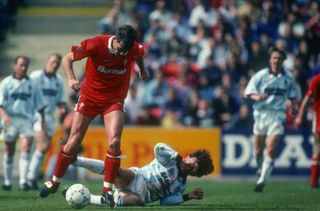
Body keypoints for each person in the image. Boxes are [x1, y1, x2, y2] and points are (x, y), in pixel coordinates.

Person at [38, 24, 149, 207]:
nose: (123, 55)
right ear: (116, 40)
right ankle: (54, 182)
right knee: (73, 141)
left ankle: (107, 190)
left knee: (114, 141)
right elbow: (67, 59)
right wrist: (72, 78)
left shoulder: (132, 47)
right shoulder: (95, 44)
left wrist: (142, 70)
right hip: (89, 97)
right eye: (121, 50)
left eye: (126, 51)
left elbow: (139, 55)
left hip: (114, 99)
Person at [66, 143, 214, 207]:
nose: (191, 167)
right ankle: (76, 160)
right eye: (193, 162)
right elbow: (158, 147)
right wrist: (177, 157)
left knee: (134, 201)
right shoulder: (170, 159)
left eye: (195, 169)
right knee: (118, 171)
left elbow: (165, 202)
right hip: (138, 178)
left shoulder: (182, 185)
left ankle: (88, 199)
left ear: (195, 174)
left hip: (143, 197)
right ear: (188, 156)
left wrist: (188, 196)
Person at [244, 46, 300, 192]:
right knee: (257, 150)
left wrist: (294, 107)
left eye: (280, 58)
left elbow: (294, 96)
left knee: (270, 148)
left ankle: (262, 180)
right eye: (274, 57)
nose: (277, 60)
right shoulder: (260, 75)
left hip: (278, 114)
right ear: (270, 59)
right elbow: (248, 92)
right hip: (261, 113)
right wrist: (258, 96)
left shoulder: (288, 78)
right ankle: (260, 168)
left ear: (284, 60)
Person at [0, 55, 46, 191]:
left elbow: (40, 105)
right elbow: (0, 105)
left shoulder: (32, 84)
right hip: (10, 120)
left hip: (26, 120)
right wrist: (5, 117)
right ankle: (7, 181)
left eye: (25, 65)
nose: (23, 68)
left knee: (26, 148)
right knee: (9, 150)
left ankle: (23, 182)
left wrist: (42, 122)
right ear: (15, 66)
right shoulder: (6, 82)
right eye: (21, 65)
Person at [27, 53, 66, 190]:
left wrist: (62, 108)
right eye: (53, 62)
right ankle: (29, 177)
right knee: (42, 145)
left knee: (44, 148)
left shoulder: (58, 80)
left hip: (50, 117)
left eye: (57, 63)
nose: (54, 65)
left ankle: (31, 177)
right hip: (37, 115)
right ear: (47, 61)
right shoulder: (35, 76)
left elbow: (61, 99)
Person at [294, 73, 320, 188]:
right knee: (318, 147)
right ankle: (313, 181)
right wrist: (300, 116)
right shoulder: (316, 80)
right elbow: (306, 99)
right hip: (319, 115)